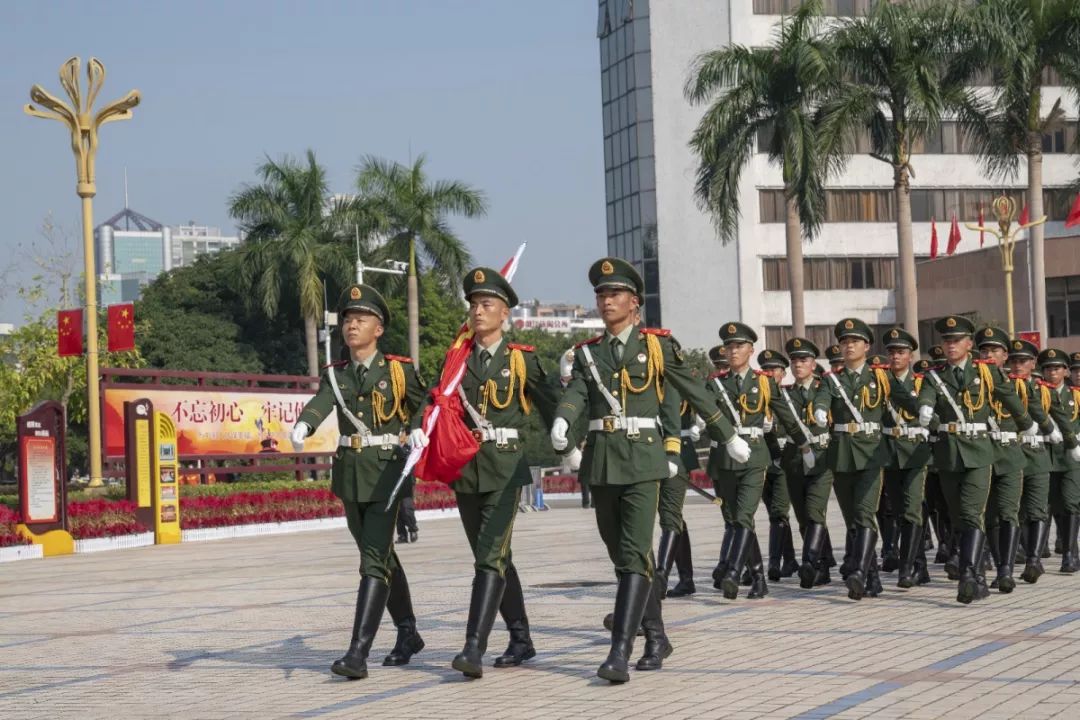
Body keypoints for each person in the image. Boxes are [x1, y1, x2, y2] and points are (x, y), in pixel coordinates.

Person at [552, 257, 746, 684]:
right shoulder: (587, 354)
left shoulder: (657, 347)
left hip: (643, 460)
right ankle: (657, 636)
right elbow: (579, 393)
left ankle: (618, 652)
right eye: (601, 295)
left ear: (634, 303)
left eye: (615, 294)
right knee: (626, 558)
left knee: (637, 549)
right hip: (602, 462)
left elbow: (693, 390)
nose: (606, 301)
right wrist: (563, 421)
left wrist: (727, 433)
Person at [417, 266, 563, 679]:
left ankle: (472, 647)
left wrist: (567, 441)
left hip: (504, 466)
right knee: (496, 557)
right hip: (467, 469)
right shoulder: (456, 361)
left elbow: (550, 399)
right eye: (474, 305)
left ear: (505, 314)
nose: (478, 312)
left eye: (487, 305)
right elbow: (437, 401)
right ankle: (521, 637)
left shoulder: (521, 360)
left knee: (488, 557)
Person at [291, 284, 426, 680]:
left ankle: (357, 653)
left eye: (361, 319)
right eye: (348, 319)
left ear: (378, 328)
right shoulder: (337, 375)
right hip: (350, 475)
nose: (352, 325)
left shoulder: (399, 371)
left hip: (387, 474)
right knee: (381, 557)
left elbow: (424, 403)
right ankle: (408, 632)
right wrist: (305, 422)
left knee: (372, 561)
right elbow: (321, 402)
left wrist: (417, 428)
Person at [916, 316, 1040, 604]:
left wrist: (1027, 423)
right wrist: (924, 408)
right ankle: (979, 577)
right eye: (946, 341)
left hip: (979, 451)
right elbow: (926, 395)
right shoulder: (935, 376)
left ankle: (969, 576)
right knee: (959, 516)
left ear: (969, 344)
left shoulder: (984, 373)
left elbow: (1010, 397)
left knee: (973, 513)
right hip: (948, 454)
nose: (951, 345)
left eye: (956, 340)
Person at [817, 319, 914, 601]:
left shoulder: (881, 377)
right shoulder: (832, 379)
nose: (848, 346)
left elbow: (907, 400)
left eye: (854, 342)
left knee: (864, 513)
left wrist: (926, 411)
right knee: (853, 520)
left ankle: (858, 571)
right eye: (844, 342)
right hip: (842, 455)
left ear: (866, 346)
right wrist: (821, 411)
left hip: (872, 453)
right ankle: (871, 578)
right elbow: (822, 398)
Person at [707, 323, 801, 601]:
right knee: (736, 519)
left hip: (755, 456)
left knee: (745, 516)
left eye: (739, 346)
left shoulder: (763, 381)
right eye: (730, 346)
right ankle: (759, 577)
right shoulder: (716, 384)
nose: (733, 350)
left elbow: (785, 414)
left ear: (751, 350)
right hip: (725, 457)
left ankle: (734, 573)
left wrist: (804, 444)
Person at [1008, 339, 1071, 583]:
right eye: (1013, 360)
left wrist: (1071, 442)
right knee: (1015, 510)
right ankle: (1018, 554)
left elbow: (1060, 416)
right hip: (1010, 454)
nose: (1017, 365)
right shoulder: (999, 386)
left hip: (1036, 455)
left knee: (1036, 509)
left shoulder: (1042, 389)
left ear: (1033, 363)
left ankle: (1034, 560)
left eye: (1022, 361)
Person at [777, 337, 834, 588]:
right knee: (803, 517)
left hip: (821, 456)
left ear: (813, 364)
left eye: (804, 360)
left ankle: (809, 563)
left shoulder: (826, 389)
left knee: (814, 512)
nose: (798, 364)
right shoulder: (784, 394)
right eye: (794, 361)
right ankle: (822, 565)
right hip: (794, 459)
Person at [881, 328, 933, 588]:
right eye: (891, 352)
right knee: (900, 511)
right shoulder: (880, 382)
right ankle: (920, 566)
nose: (895, 356)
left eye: (900, 352)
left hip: (915, 451)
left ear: (911, 355)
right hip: (889, 452)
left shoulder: (923, 384)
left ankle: (907, 567)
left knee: (913, 507)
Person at [1037, 348, 1080, 573]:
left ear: (1065, 371)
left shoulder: (1075, 396)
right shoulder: (1038, 393)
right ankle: (1037, 555)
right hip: (1045, 454)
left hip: (1070, 457)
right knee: (1045, 504)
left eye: (1056, 368)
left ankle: (1070, 553)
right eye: (1047, 368)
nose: (1052, 372)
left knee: (1071, 502)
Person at [758, 349, 799, 582]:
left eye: (774, 369)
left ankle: (774, 563)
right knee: (774, 512)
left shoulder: (788, 397)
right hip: (764, 461)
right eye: (765, 369)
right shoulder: (757, 397)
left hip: (783, 461)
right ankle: (790, 559)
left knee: (779, 512)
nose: (769, 373)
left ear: (783, 374)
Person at [395, 474, 419, 544]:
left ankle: (412, 529)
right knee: (397, 510)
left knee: (406, 507)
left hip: (406, 481)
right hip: (392, 482)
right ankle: (402, 535)